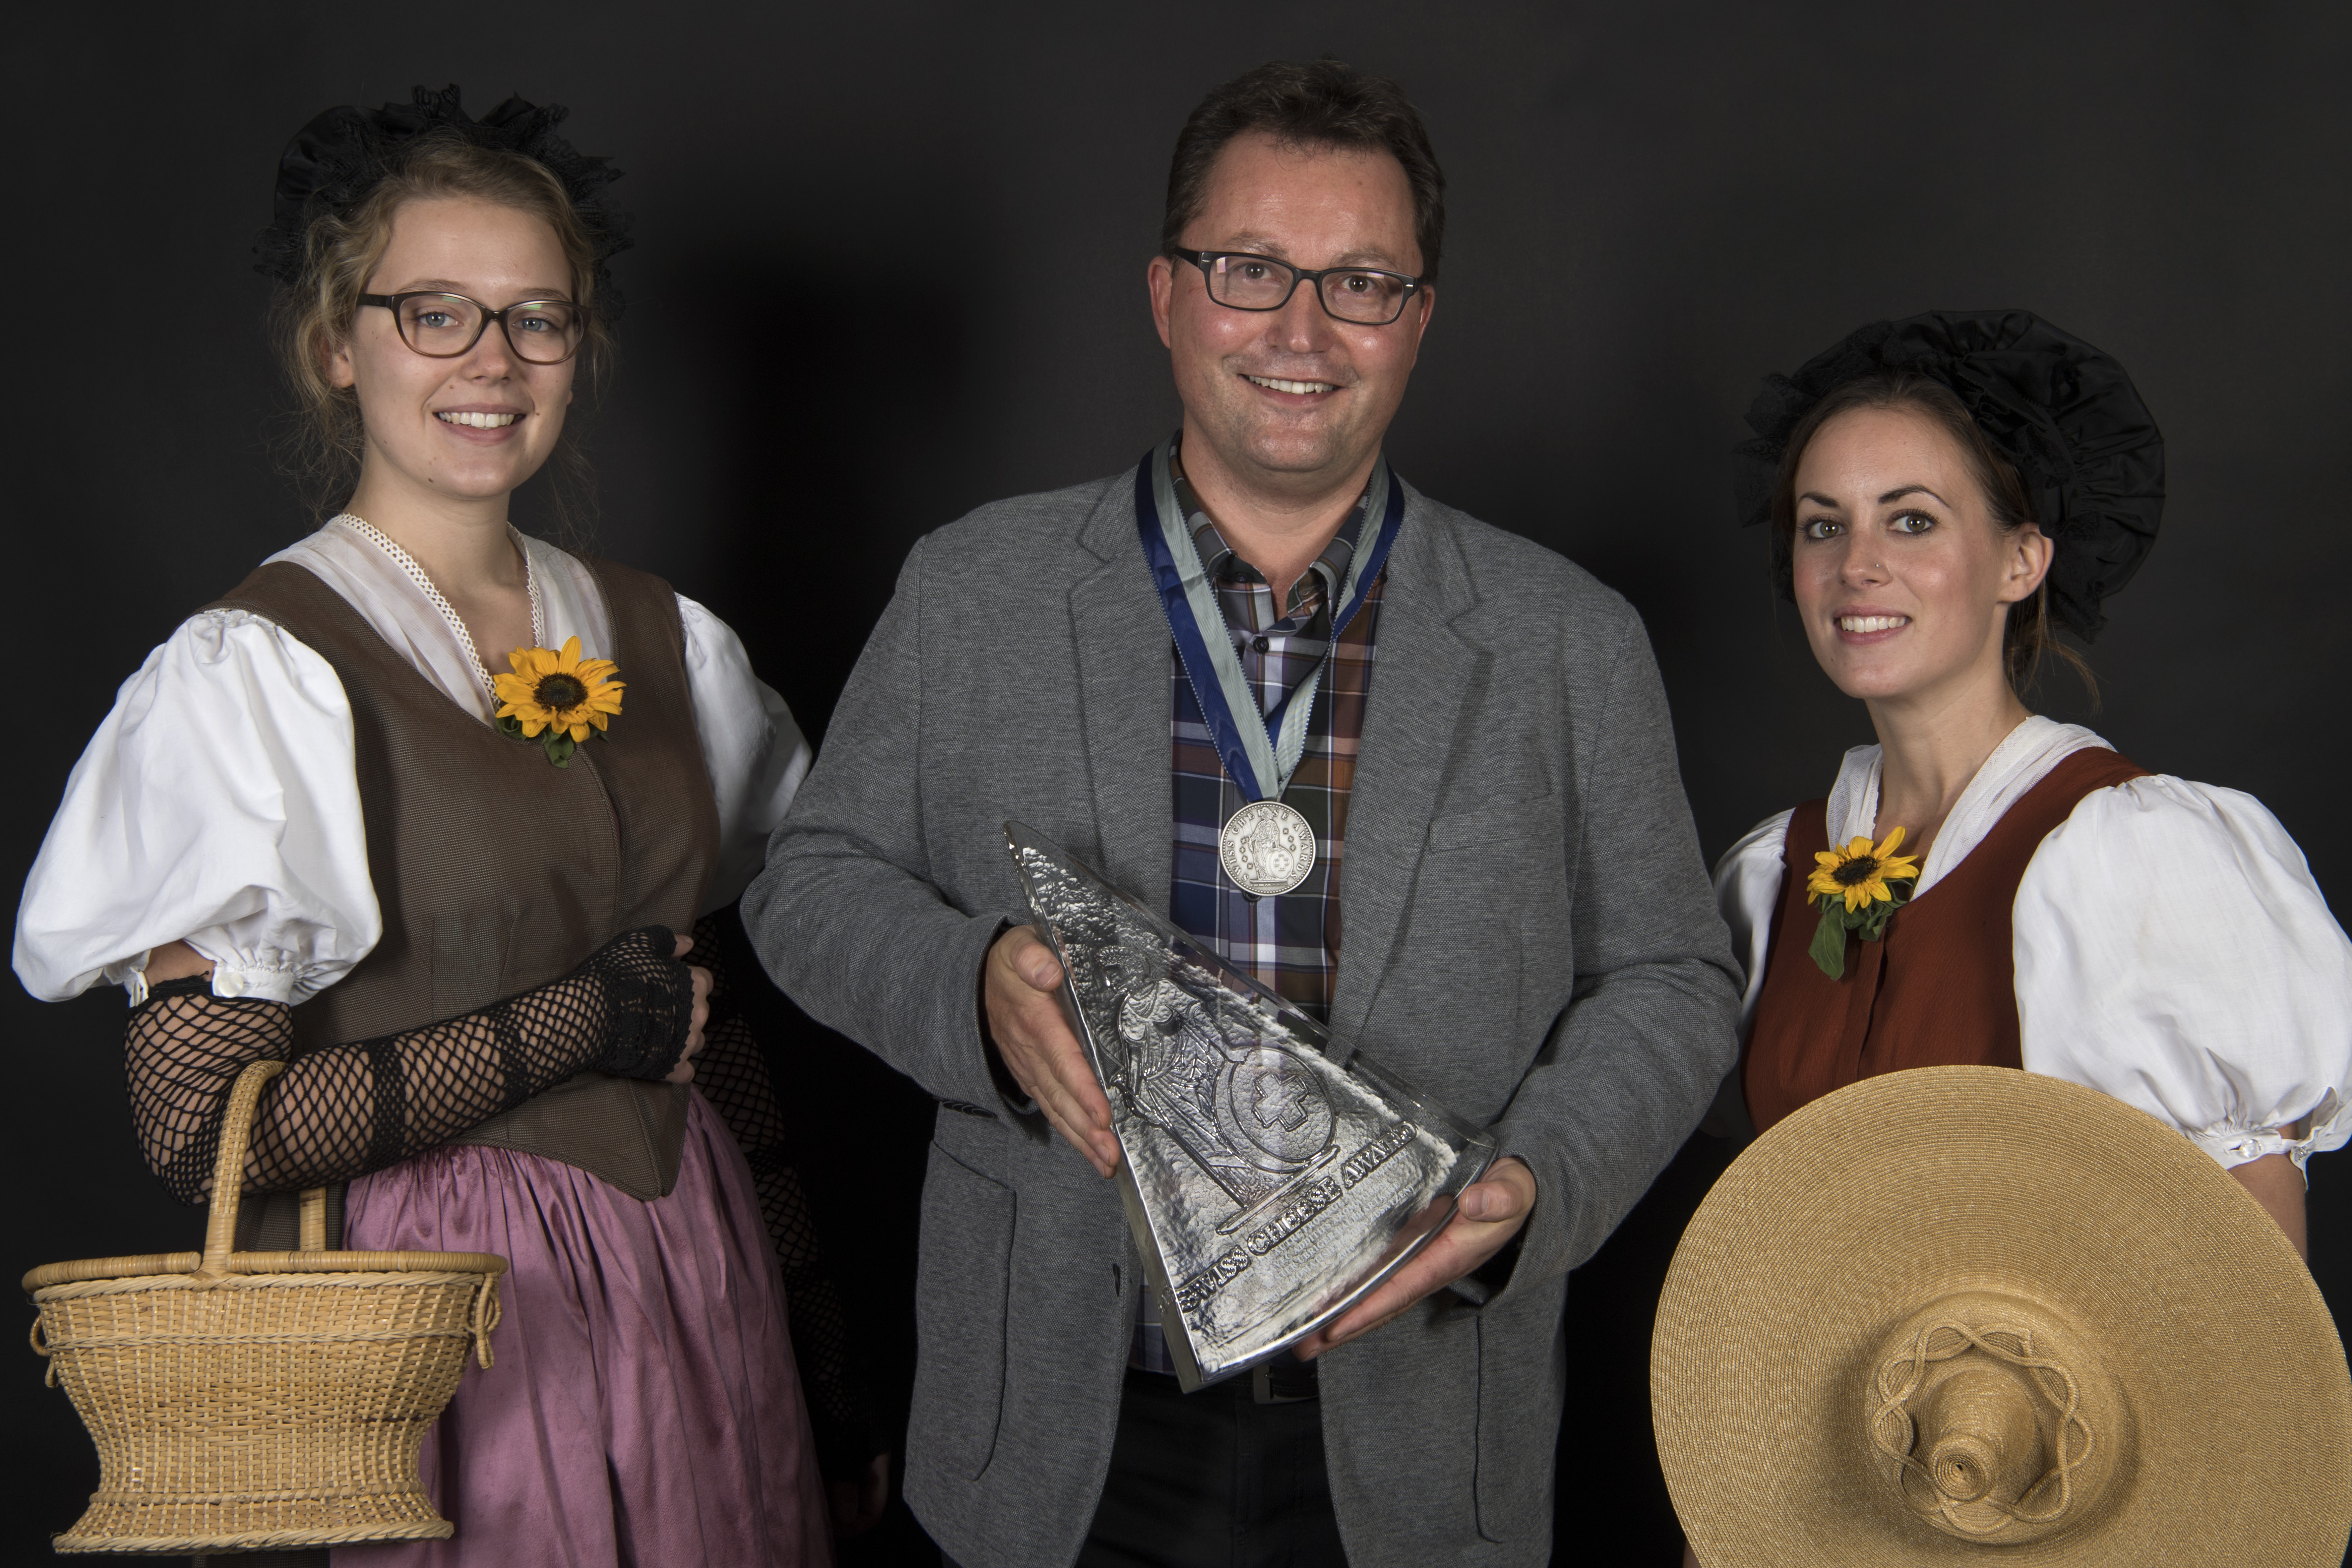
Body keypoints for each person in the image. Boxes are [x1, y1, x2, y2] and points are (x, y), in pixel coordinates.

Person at [743, 58, 1740, 1568]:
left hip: (1413, 1431)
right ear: (1166, 294)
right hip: (1062, 1420)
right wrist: (970, 985)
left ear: (1418, 319)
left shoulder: (1566, 639)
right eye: (1249, 268)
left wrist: (1537, 1186)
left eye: (1360, 283)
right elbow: (811, 880)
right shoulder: (975, 587)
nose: (1300, 330)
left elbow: (1670, 978)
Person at [13, 87, 878, 1566]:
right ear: (335, 346)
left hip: (695, 1272)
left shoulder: (667, 640)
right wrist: (573, 1025)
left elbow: (701, 1022)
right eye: (436, 313)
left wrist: (821, 1351)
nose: (493, 360)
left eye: (537, 319)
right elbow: (201, 1127)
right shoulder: (254, 675)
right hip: (445, 1318)